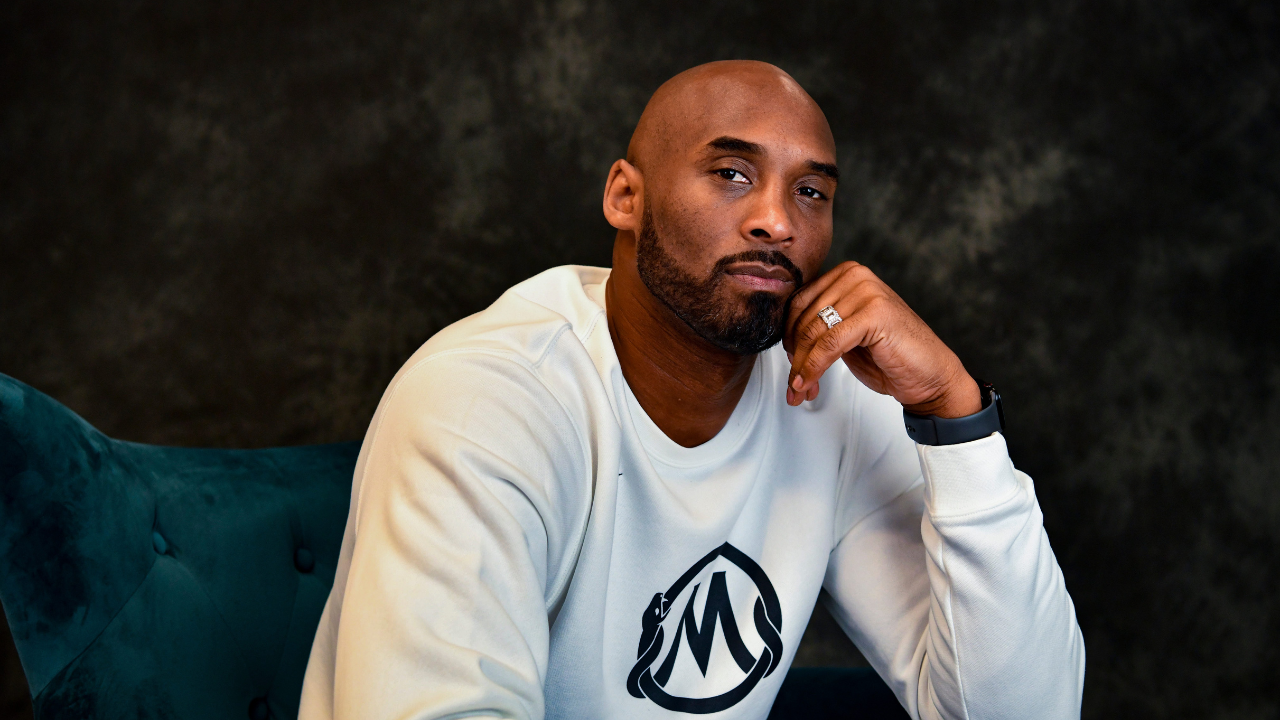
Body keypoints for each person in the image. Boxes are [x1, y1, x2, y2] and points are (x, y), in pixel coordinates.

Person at [299, 60, 1085, 720]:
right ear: (625, 198)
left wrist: (953, 411)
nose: (777, 221)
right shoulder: (486, 401)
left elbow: (1023, 711)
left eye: (811, 192)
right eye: (732, 174)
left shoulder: (829, 396)